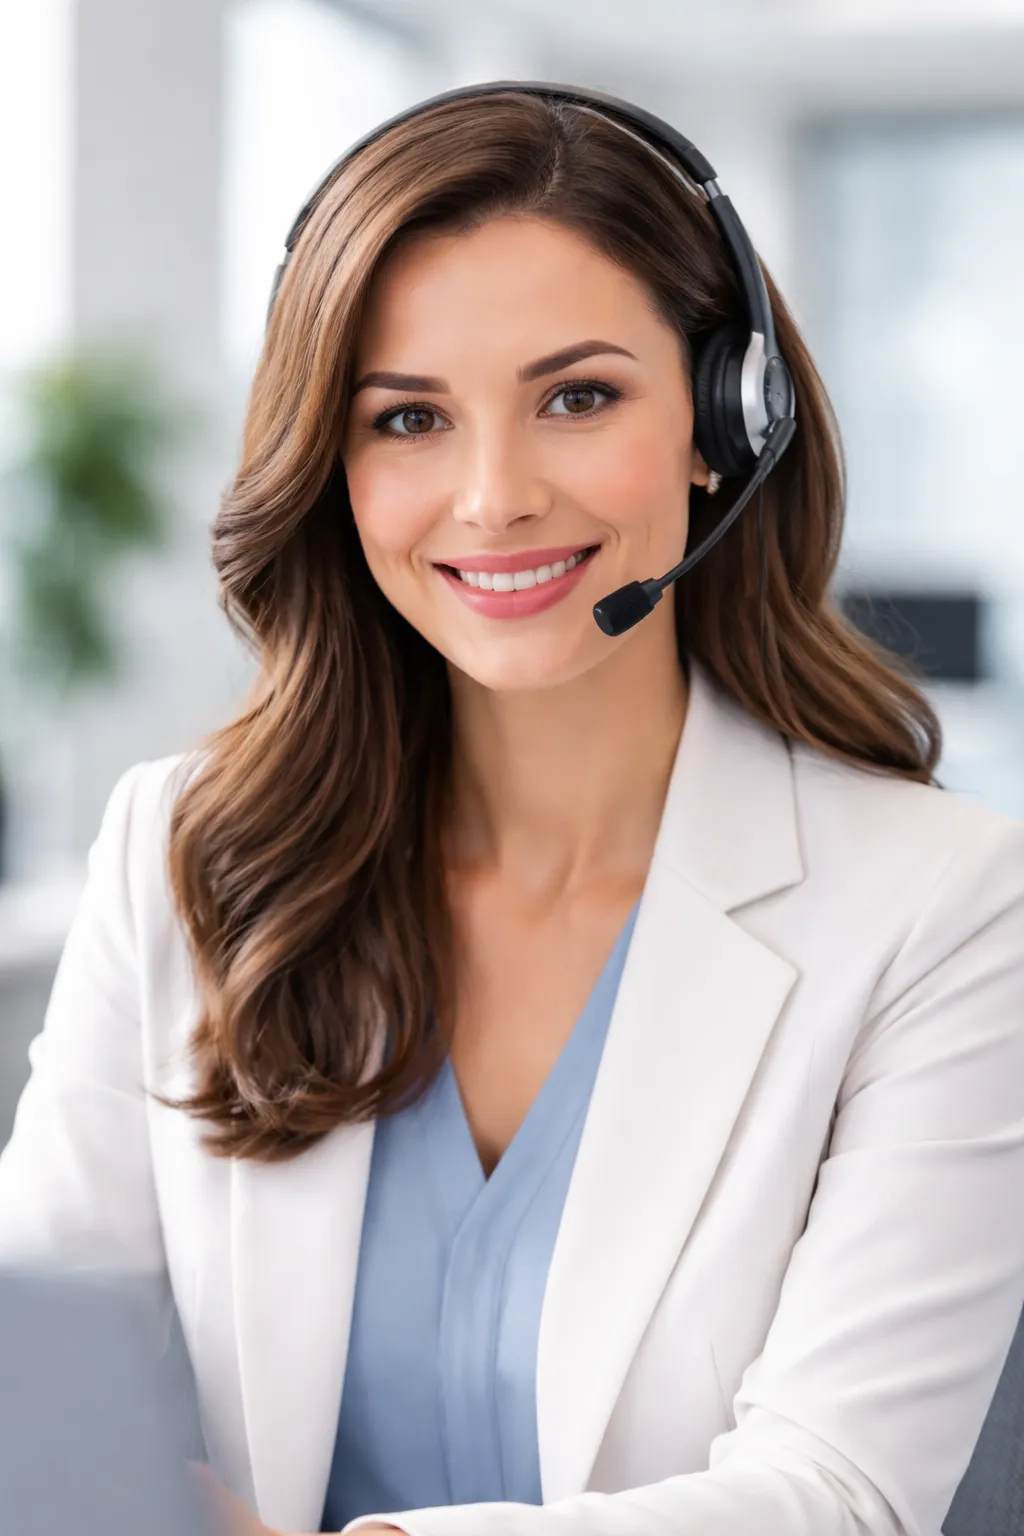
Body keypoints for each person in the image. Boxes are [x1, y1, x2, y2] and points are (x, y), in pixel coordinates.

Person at [1, 81, 1023, 1536]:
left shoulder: (943, 903)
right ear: (333, 469)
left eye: (578, 397)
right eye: (408, 417)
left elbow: (835, 1497)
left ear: (726, 417)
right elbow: (39, 1388)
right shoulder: (184, 854)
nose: (491, 498)